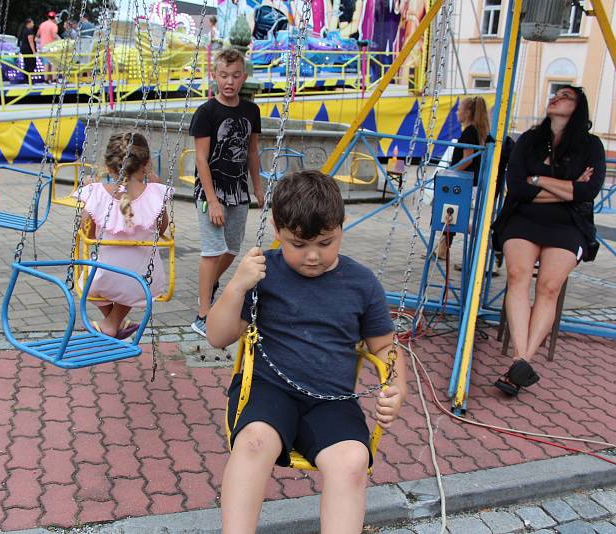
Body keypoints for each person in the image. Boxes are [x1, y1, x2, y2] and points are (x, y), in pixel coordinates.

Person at [206, 170, 407, 533]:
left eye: (326, 242)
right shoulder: (262, 272)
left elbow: (385, 345)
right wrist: (237, 285)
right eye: (298, 245)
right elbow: (218, 337)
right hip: (269, 390)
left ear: (342, 228)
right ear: (277, 230)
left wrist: (395, 385)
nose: (313, 256)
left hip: (331, 399)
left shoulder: (361, 283)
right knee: (253, 442)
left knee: (352, 460)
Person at [491, 85, 605, 396]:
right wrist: (565, 188)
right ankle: (521, 361)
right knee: (517, 276)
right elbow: (517, 188)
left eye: (565, 95)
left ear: (578, 107)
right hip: (522, 219)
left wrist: (538, 180)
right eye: (555, 94)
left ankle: (521, 359)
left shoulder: (591, 145)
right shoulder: (529, 139)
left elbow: (588, 192)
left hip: (569, 225)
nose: (555, 97)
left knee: (549, 287)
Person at [188, 47, 263, 338]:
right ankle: (204, 313)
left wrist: (258, 188)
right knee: (212, 251)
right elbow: (200, 158)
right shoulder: (206, 112)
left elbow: (252, 152)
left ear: (244, 77)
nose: (229, 81)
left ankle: (209, 285)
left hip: (238, 192)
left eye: (235, 76)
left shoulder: (251, 111)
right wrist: (212, 200)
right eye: (223, 76)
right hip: (211, 192)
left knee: (231, 249)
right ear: (214, 76)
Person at [75, 133, 172, 338]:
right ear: (146, 164)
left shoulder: (96, 193)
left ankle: (111, 323)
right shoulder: (155, 194)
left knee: (89, 281)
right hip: (145, 282)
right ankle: (115, 321)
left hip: (102, 279)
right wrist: (155, 188)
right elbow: (161, 229)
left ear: (108, 166)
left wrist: (89, 201)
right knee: (131, 272)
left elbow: (88, 232)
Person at [436, 95, 490, 262]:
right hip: (469, 181)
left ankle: (488, 243)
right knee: (452, 216)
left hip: (464, 181)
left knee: (455, 217)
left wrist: (449, 172)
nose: (456, 113)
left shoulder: (469, 132)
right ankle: (442, 248)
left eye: (459, 109)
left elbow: (467, 160)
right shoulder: (476, 131)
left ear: (467, 113)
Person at [37, 11, 60, 82]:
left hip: (43, 47)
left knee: (46, 63)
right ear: (54, 18)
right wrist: (60, 40)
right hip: (52, 47)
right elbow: (54, 35)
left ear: (48, 17)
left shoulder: (42, 25)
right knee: (54, 63)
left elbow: (37, 36)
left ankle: (46, 79)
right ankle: (54, 79)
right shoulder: (54, 25)